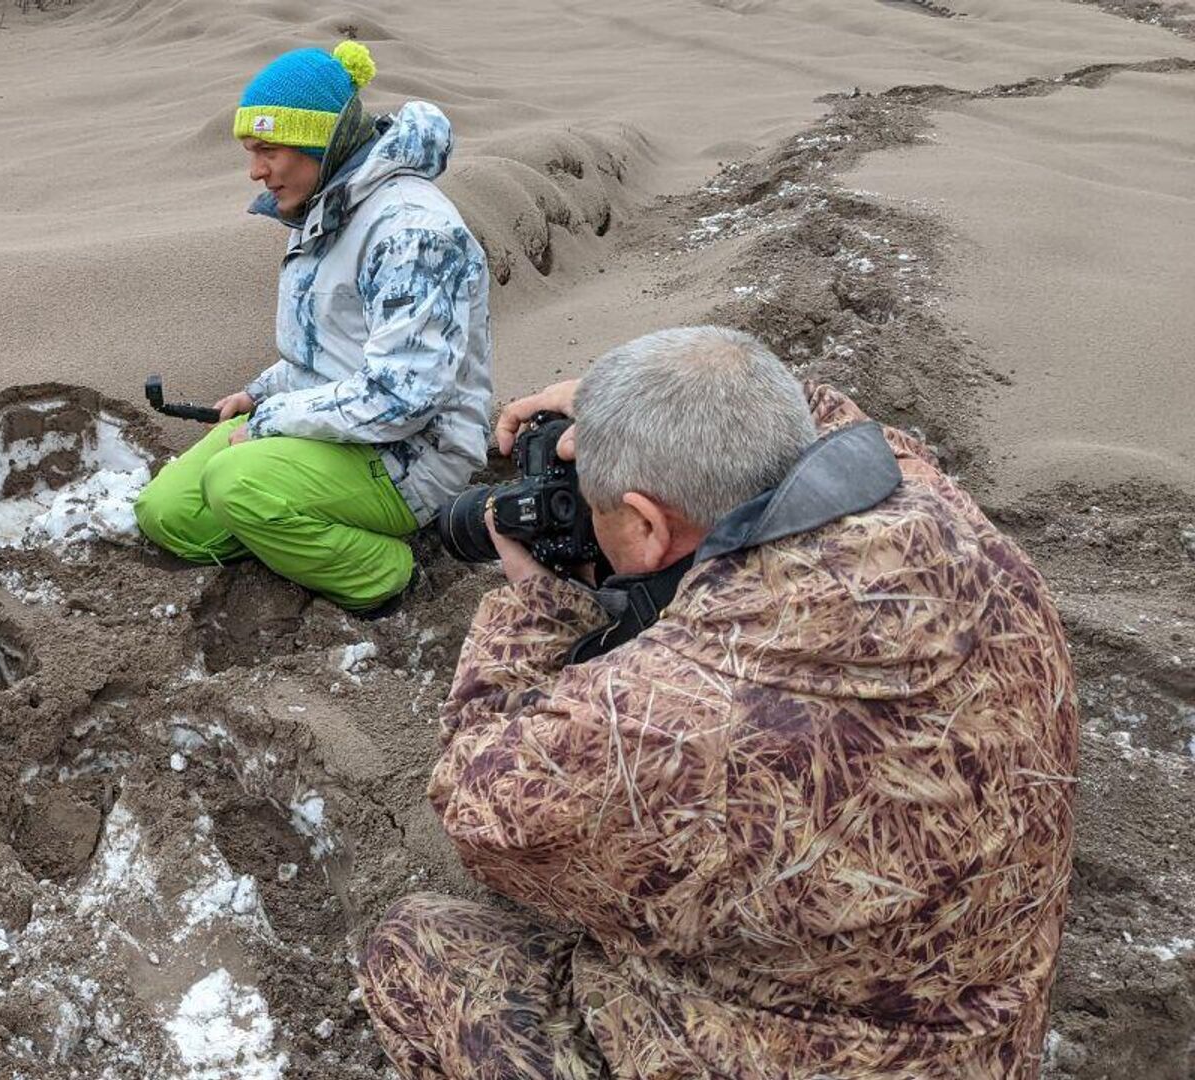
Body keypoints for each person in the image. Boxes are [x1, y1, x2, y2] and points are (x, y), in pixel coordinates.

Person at [359, 327, 1077, 1079]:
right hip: (982, 1023)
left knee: (416, 945)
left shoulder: (664, 717)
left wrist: (540, 605)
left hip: (787, 1048)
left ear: (643, 526)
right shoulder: (930, 503)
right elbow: (826, 419)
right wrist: (624, 406)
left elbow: (479, 811)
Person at [133, 40, 493, 615]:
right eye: (251, 152)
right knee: (167, 514)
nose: (255, 171)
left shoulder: (411, 231)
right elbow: (328, 348)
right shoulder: (327, 204)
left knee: (235, 482)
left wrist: (270, 420)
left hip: (413, 455)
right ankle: (299, 532)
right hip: (334, 425)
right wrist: (260, 392)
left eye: (267, 149)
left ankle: (384, 573)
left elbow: (405, 397)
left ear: (318, 140)